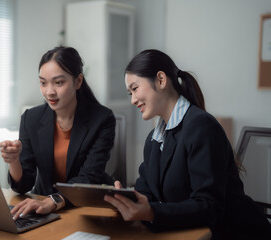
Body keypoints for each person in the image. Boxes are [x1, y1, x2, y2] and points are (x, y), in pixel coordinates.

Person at [104, 49, 271, 239]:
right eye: (129, 93)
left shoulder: (201, 127)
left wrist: (151, 212)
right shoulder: (154, 139)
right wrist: (127, 199)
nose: (133, 99)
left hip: (232, 234)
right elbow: (146, 193)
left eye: (135, 89)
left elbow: (209, 206)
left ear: (160, 80)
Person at [0, 46, 115, 219]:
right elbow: (23, 186)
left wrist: (52, 201)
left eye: (59, 82)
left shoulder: (102, 119)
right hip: (42, 205)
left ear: (78, 81)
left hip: (86, 207)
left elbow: (89, 178)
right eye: (43, 82)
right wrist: (14, 161)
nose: (49, 91)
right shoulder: (31, 118)